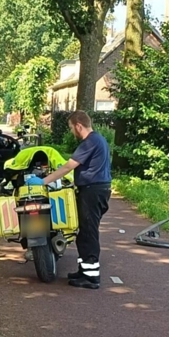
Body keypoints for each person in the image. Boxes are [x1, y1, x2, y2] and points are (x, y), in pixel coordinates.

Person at [32, 110, 111, 289]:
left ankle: (91, 278)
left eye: (71, 128)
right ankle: (84, 271)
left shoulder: (89, 142)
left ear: (78, 126)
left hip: (92, 192)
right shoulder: (99, 140)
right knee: (83, 233)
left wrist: (43, 181)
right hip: (95, 190)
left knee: (88, 233)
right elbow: (91, 168)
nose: (71, 131)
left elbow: (69, 166)